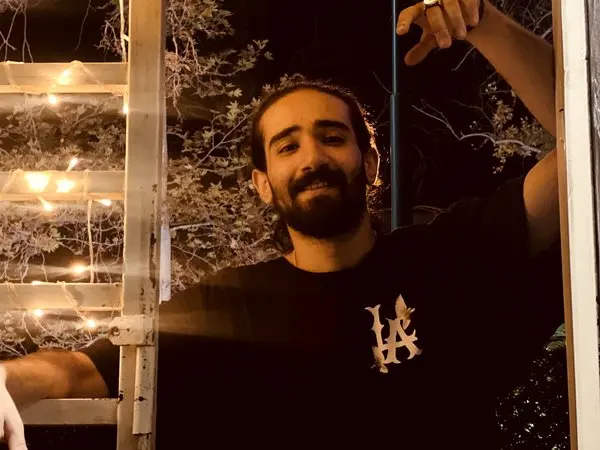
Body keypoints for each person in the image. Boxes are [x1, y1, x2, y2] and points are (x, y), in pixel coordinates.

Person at [0, 0, 563, 449]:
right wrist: (4, 383)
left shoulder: (447, 256)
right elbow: (79, 370)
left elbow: (582, 151)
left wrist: (485, 24)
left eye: (332, 137)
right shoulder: (225, 309)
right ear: (263, 183)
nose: (312, 157)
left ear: (370, 165)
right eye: (287, 146)